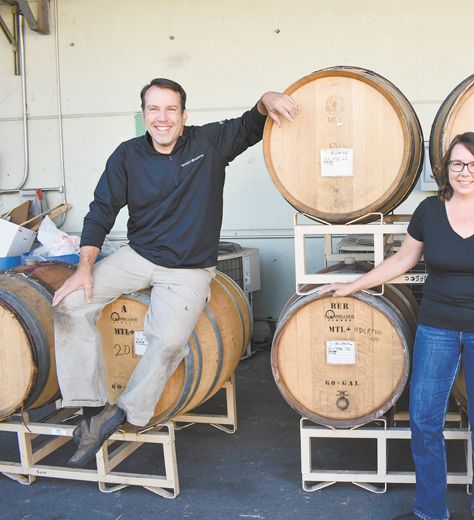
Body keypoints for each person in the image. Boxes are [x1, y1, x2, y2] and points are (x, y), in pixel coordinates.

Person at [51, 78, 298, 467]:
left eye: (170, 110)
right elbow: (101, 210)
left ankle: (123, 413)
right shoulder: (127, 155)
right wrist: (84, 268)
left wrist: (267, 99)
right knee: (70, 306)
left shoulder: (210, 143)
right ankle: (90, 407)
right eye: (153, 109)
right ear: (143, 114)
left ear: (184, 115)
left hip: (188, 268)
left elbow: (253, 122)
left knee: (167, 343)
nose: (162, 118)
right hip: (138, 256)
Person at [319, 132, 474, 520]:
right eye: (457, 163)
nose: (465, 172)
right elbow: (402, 260)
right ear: (446, 169)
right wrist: (354, 284)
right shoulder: (429, 211)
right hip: (437, 327)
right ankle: (430, 509)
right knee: (424, 420)